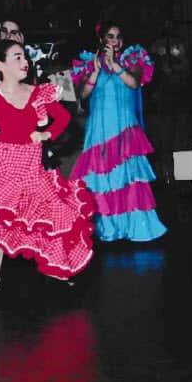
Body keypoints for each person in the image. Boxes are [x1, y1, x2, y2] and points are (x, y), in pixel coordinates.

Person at [0, 40, 94, 294]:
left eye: (25, 57)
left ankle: (58, 267)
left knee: (50, 217)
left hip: (32, 167)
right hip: (5, 166)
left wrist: (46, 135)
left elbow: (63, 118)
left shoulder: (36, 92)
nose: (25, 63)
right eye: (17, 58)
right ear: (0, 65)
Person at [70, 22, 167, 242]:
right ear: (102, 41)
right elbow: (82, 95)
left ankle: (137, 227)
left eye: (118, 37)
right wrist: (95, 72)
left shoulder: (132, 59)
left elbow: (134, 83)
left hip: (124, 129)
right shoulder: (89, 63)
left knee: (128, 176)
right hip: (99, 131)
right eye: (110, 37)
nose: (114, 41)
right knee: (102, 179)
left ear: (122, 42)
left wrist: (115, 66)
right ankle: (108, 228)